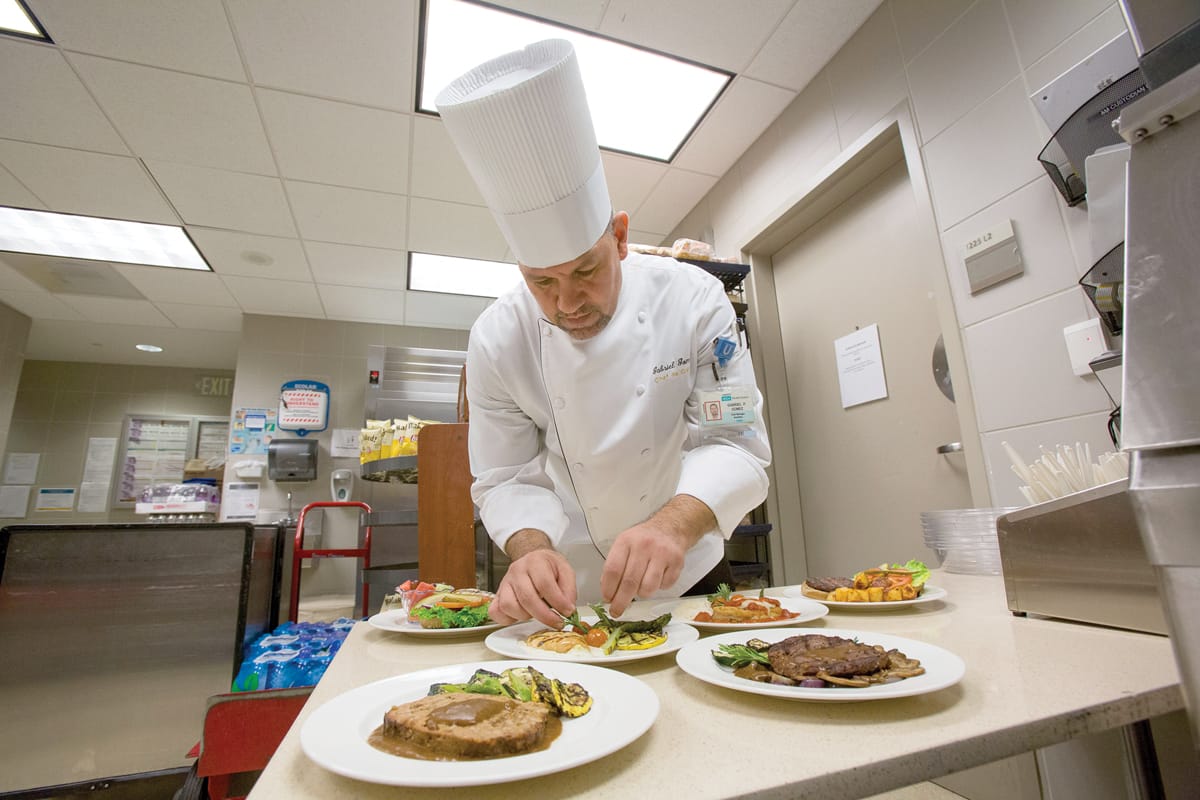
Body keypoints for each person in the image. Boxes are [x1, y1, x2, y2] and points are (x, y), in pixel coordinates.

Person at [436, 39, 771, 629]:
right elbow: (505, 476)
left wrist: (671, 526)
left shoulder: (693, 300)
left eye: (586, 271)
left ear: (619, 239)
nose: (568, 304)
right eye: (543, 282)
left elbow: (736, 442)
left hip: (688, 568)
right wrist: (530, 550)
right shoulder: (497, 339)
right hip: (563, 585)